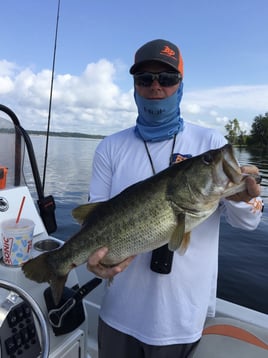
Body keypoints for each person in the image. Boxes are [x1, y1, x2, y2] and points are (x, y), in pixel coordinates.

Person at [87, 39, 263, 358]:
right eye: (145, 79)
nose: (156, 87)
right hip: (117, 315)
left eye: (167, 79)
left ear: (180, 84)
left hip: (181, 320)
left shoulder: (209, 142)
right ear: (135, 86)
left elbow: (248, 222)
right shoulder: (110, 147)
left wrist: (241, 197)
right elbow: (94, 221)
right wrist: (95, 263)